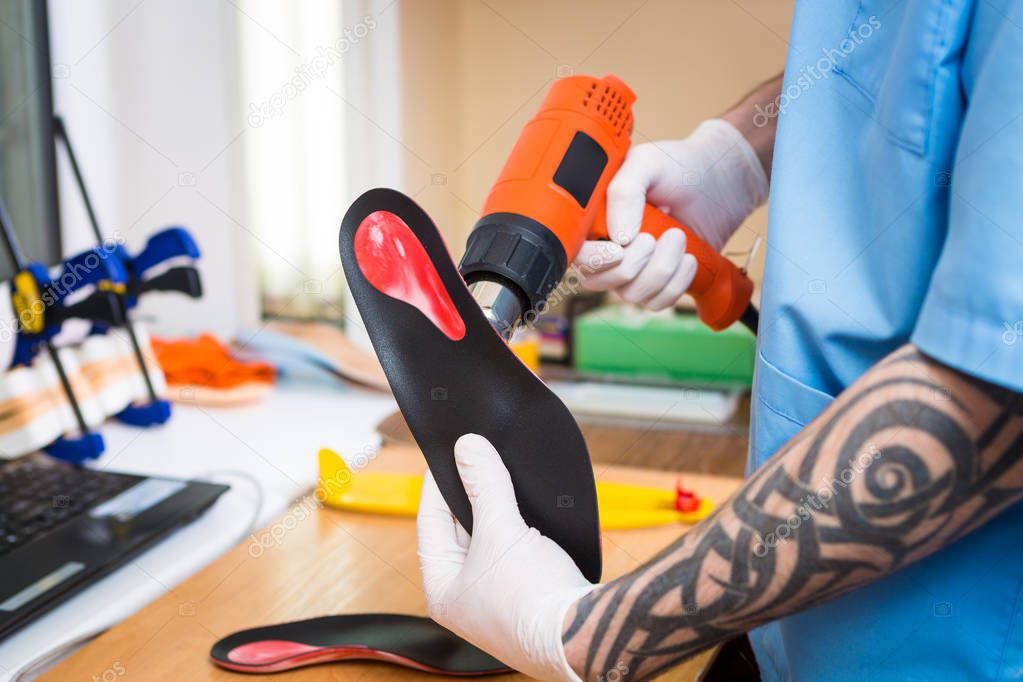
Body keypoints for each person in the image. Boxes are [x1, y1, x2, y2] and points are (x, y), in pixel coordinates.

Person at [416, 2, 1023, 680]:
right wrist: (734, 153)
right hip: (775, 638)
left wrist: (586, 636)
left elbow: (994, 400)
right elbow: (885, 51)